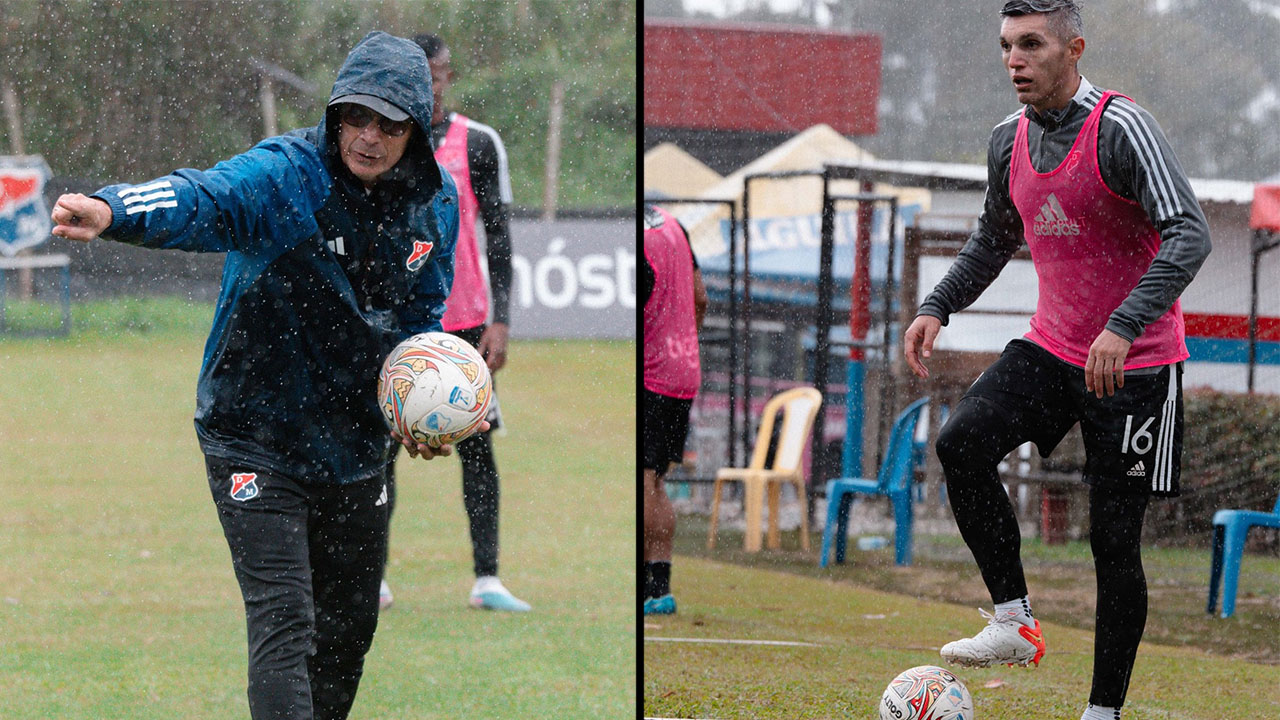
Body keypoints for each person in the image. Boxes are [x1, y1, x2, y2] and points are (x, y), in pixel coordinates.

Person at [50, 31, 470, 720]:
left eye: (389, 124)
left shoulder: (435, 205)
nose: (369, 136)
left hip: (356, 446)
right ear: (335, 115)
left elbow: (420, 324)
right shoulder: (285, 175)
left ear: (415, 132)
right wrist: (113, 210)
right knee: (285, 619)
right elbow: (203, 198)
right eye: (355, 117)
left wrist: (420, 408)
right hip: (254, 435)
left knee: (347, 631)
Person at [902, 3, 1210, 719]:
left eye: (1032, 44)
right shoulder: (1006, 140)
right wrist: (935, 305)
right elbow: (992, 237)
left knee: (1111, 540)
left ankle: (1102, 712)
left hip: (1136, 365)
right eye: (1007, 45)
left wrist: (1125, 326)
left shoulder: (1122, 128)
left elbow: (1189, 234)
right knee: (961, 442)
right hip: (1052, 347)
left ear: (1074, 48)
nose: (1015, 59)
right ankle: (1013, 620)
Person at [371, 32, 529, 614]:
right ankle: (373, 577)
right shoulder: (382, 140)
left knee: (478, 446)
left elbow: (501, 239)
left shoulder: (479, 144)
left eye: (434, 72)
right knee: (382, 449)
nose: (428, 82)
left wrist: (502, 320)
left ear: (446, 74)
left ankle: (487, 578)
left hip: (465, 324)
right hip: (395, 323)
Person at [642, 203, 707, 616]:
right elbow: (701, 297)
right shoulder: (671, 222)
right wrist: (681, 336)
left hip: (651, 374)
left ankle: (646, 590)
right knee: (657, 481)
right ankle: (660, 588)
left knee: (644, 483)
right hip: (684, 370)